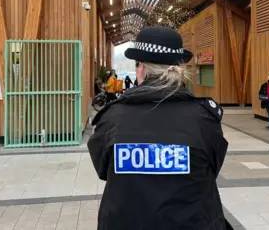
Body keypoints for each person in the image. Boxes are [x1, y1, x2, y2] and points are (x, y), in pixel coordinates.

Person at [88, 26, 231, 230]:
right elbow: (212, 168)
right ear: (178, 69)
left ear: (141, 69)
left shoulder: (112, 118)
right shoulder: (204, 118)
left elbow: (103, 170)